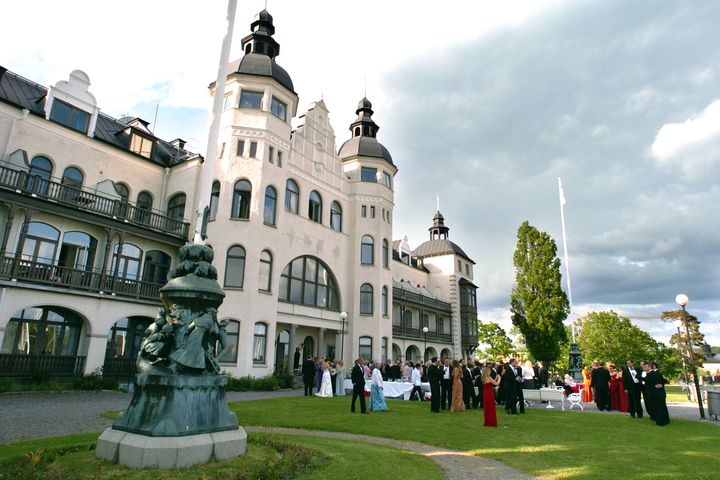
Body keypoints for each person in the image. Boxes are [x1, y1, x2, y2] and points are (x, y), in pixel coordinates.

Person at [648, 361, 670, 426]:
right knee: (663, 407)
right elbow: (664, 381)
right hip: (661, 392)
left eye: (650, 366)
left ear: (654, 366)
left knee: (659, 407)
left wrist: (660, 384)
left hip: (658, 393)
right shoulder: (658, 373)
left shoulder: (655, 373)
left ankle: (661, 421)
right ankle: (666, 420)